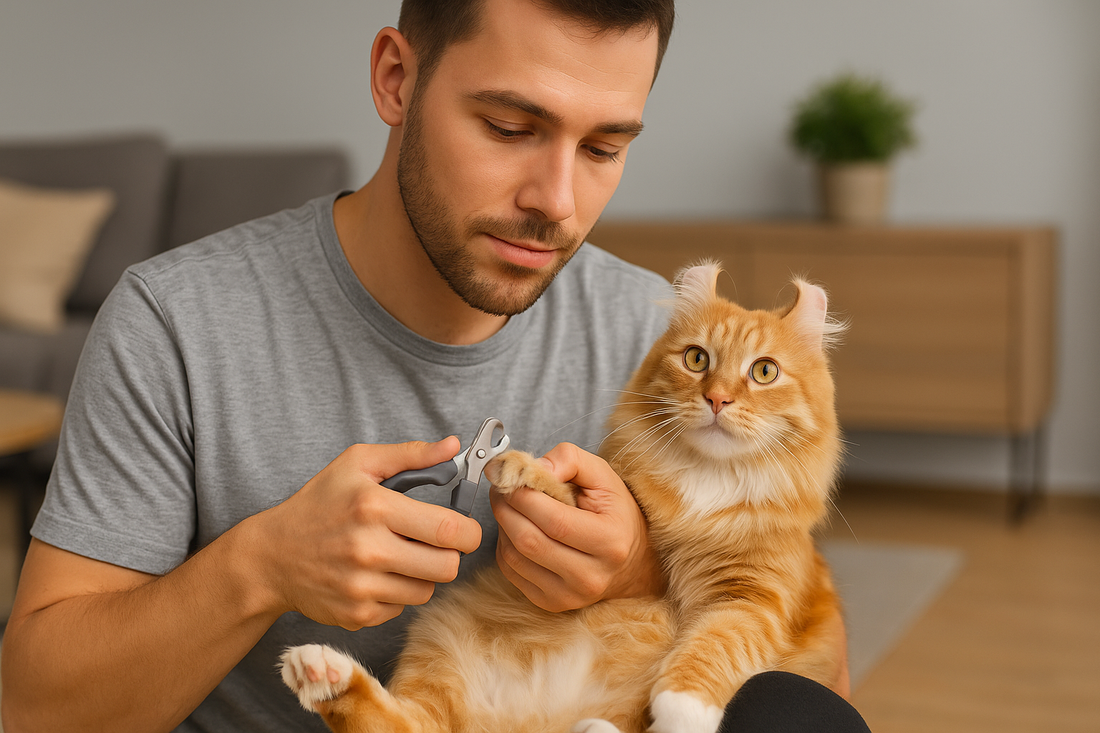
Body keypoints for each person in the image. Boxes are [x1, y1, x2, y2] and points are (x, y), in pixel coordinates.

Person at [1, 1, 864, 731]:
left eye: (603, 148)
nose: (557, 201)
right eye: (509, 128)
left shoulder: (664, 346)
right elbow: (34, 708)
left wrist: (646, 569)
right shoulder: (174, 324)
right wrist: (260, 567)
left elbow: (815, 674)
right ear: (395, 80)